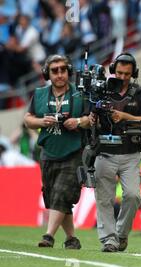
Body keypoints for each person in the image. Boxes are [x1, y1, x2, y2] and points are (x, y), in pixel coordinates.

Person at [24, 54, 90, 249]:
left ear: (68, 72)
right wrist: (41, 122)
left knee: (62, 192)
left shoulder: (80, 95)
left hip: (73, 151)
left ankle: (48, 236)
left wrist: (77, 122)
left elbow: (92, 118)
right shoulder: (40, 94)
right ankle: (71, 238)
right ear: (47, 73)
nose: (59, 74)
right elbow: (28, 119)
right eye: (55, 70)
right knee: (54, 196)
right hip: (48, 151)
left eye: (63, 70)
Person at [92, 52, 141, 252]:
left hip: (131, 152)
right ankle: (109, 240)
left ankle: (121, 234)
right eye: (119, 73)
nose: (123, 77)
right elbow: (88, 116)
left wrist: (124, 116)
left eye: (127, 73)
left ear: (133, 73)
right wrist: (92, 118)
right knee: (104, 198)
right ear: (113, 71)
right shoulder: (101, 91)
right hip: (104, 151)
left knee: (133, 195)